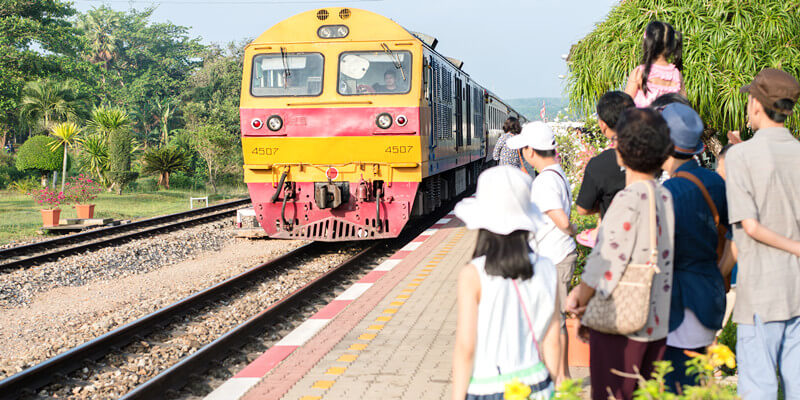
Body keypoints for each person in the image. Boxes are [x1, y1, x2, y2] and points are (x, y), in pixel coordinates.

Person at [565, 108, 675, 400]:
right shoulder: (663, 195)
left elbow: (606, 262)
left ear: (621, 150)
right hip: (657, 319)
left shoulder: (628, 199)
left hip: (622, 324)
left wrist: (580, 296)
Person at [451, 166, 564, 400]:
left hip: (487, 387)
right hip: (537, 384)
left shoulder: (473, 274)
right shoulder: (546, 268)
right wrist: (551, 386)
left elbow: (466, 348)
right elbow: (552, 341)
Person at [724, 68, 800, 399]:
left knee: (759, 387)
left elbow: (750, 226)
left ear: (756, 104)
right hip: (797, 288)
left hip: (761, 290)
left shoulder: (740, 156)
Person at [658, 103, 729, 391]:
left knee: (677, 383)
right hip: (708, 294)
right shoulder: (715, 181)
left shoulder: (668, 193)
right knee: (698, 379)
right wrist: (719, 271)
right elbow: (734, 234)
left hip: (678, 301)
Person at [507, 121, 576, 380]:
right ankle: (562, 376)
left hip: (554, 257)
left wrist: (572, 230)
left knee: (553, 322)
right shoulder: (555, 173)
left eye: (523, 149)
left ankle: (559, 379)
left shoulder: (545, 181)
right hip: (557, 255)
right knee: (554, 320)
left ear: (531, 151)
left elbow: (561, 219)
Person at [575, 91, 636, 248]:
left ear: (602, 124)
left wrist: (604, 203)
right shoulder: (652, 155)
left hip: (615, 246)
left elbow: (582, 209)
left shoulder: (599, 164)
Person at [624, 21, 686, 108]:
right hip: (670, 121)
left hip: (643, 121)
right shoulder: (676, 74)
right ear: (672, 45)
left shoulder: (639, 72)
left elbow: (624, 105)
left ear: (647, 43)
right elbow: (685, 108)